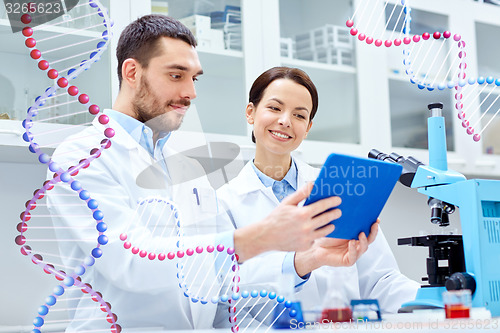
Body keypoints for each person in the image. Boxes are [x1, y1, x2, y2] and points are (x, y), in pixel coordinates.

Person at [46, 15, 375, 331]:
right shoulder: (82, 156)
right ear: (132, 72)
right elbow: (130, 264)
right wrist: (258, 237)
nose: (191, 92)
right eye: (177, 75)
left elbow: (224, 281)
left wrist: (302, 261)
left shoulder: (189, 166)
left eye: (194, 78)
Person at [217, 66, 421, 317]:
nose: (285, 121)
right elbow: (226, 292)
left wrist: (434, 300)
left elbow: (381, 281)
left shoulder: (343, 185)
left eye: (299, 115)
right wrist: (300, 263)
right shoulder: (224, 203)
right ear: (251, 112)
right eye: (274, 108)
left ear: (308, 127)